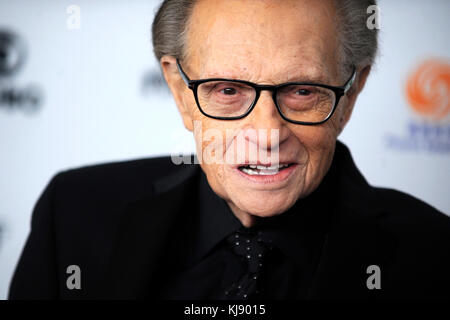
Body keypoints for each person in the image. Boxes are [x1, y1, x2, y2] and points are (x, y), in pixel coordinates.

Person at [9, 0, 450, 300]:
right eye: (227, 90)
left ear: (351, 94)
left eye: (301, 90)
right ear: (180, 92)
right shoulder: (73, 215)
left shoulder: (433, 257)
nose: (266, 132)